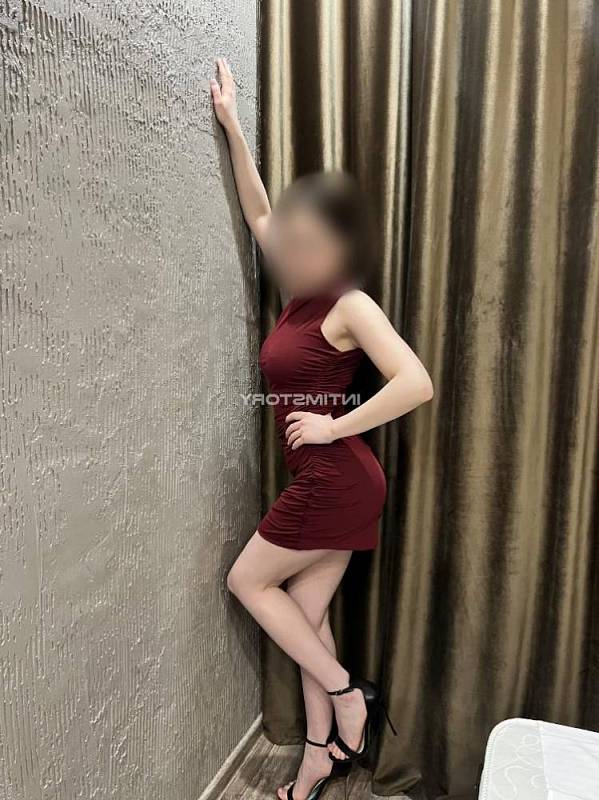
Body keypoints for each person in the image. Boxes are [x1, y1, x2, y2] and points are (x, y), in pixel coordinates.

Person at [210, 58, 433, 800]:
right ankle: (316, 759)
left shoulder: (349, 305)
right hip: (328, 481)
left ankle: (346, 695)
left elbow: (416, 382)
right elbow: (258, 212)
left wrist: (336, 427)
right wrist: (232, 123)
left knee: (247, 581)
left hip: (337, 478)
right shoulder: (296, 292)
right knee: (305, 618)